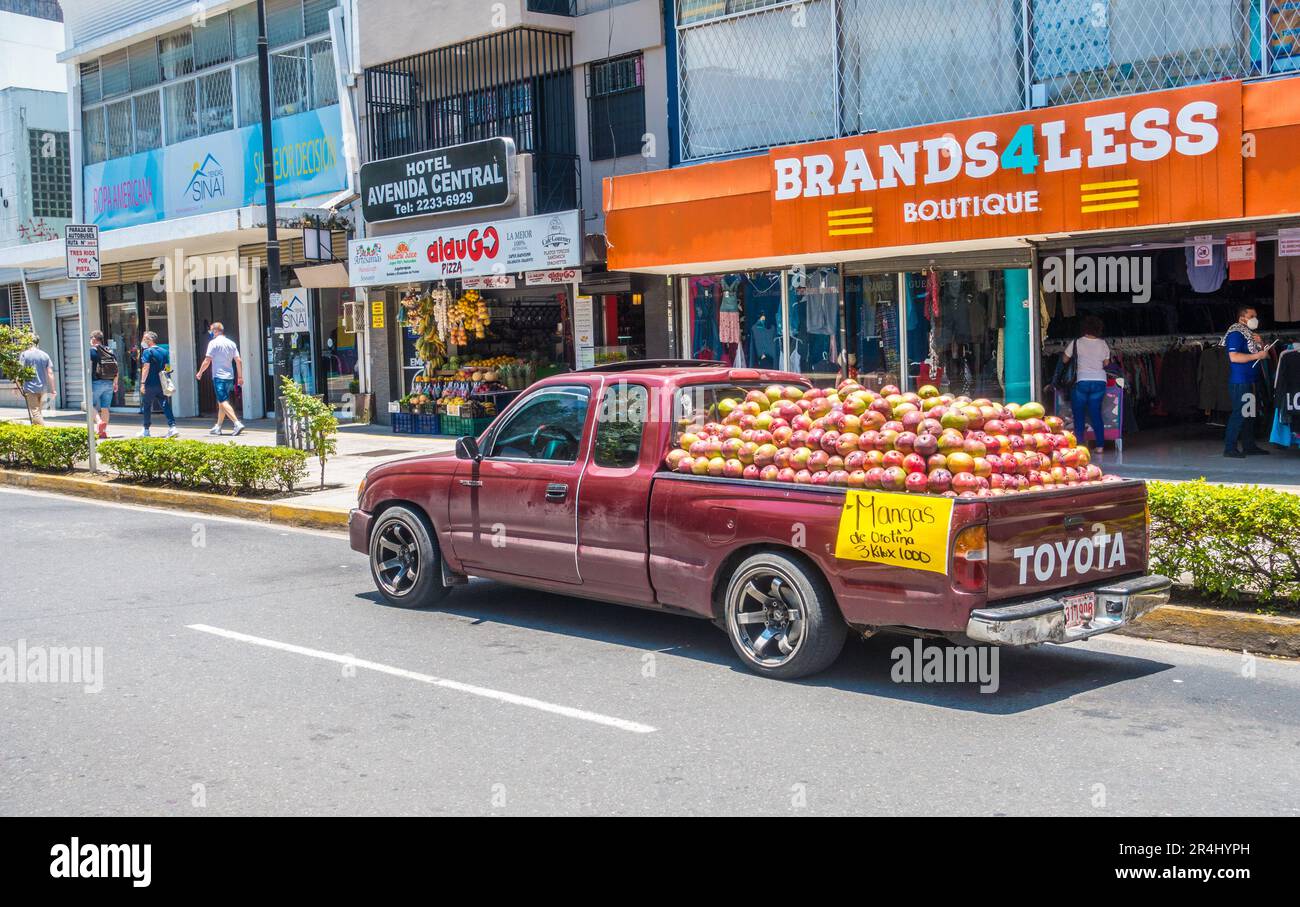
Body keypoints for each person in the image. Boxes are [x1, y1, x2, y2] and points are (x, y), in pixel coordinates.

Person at [1223, 305, 1272, 458]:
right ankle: (1229, 448)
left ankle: (1249, 445)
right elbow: (1234, 357)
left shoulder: (1250, 335)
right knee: (1239, 414)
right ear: (1241, 318)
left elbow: (1260, 353)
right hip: (1240, 381)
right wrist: (1257, 356)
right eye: (1252, 316)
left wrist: (1261, 343)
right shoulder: (1236, 334)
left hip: (1251, 380)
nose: (1255, 319)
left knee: (1249, 414)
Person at [1062, 315, 1111, 455]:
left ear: (1084, 328)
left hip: (1082, 381)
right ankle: (1100, 446)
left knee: (1079, 415)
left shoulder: (1076, 343)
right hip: (1099, 381)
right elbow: (1106, 363)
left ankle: (1080, 446)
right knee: (1096, 413)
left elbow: (1065, 359)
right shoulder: (1103, 344)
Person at [195, 321, 245, 436]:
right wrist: (240, 376)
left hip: (219, 376)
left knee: (222, 401)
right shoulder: (231, 343)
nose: (210, 333)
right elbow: (238, 360)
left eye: (211, 331)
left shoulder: (213, 343)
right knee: (222, 401)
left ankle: (237, 423)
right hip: (230, 377)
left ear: (215, 331)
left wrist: (200, 372)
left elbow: (207, 360)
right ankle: (218, 426)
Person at [137, 331, 177, 438]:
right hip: (161, 383)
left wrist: (142, 383)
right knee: (165, 403)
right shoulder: (164, 351)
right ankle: (172, 426)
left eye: (145, 339)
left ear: (150, 340)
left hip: (149, 383)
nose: (143, 341)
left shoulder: (147, 352)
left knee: (147, 405)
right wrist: (167, 377)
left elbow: (146, 367)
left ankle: (146, 429)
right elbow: (167, 366)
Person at [18, 334, 56, 426]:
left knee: (35, 413)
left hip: (30, 388)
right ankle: (36, 433)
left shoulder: (24, 354)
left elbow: (20, 371)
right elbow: (50, 373)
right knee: (38, 412)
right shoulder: (45, 355)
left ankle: (43, 434)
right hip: (42, 388)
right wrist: (53, 390)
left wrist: (19, 386)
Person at [88, 330, 119, 439]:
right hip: (109, 382)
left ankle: (99, 421)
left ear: (93, 339)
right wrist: (115, 382)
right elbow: (116, 367)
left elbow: (88, 367)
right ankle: (103, 432)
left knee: (89, 404)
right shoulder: (109, 350)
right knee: (105, 408)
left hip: (97, 381)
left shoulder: (92, 351)